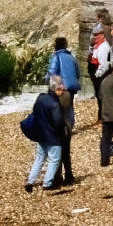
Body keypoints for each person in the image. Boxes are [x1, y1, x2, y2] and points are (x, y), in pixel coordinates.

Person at [46, 37, 81, 184]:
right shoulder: (71, 57)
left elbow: (52, 73)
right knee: (69, 109)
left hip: (61, 89)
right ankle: (69, 125)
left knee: (58, 112)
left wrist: (51, 86)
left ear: (56, 46)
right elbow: (77, 73)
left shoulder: (56, 57)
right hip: (71, 89)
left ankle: (57, 176)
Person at [25, 75, 67, 193]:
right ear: (57, 89)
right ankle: (47, 183)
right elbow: (58, 122)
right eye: (61, 88)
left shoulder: (41, 97)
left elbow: (35, 112)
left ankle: (30, 181)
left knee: (39, 158)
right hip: (52, 136)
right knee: (55, 160)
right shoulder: (55, 104)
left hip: (41, 134)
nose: (63, 90)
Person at [88, 24, 111, 120]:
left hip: (101, 75)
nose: (95, 37)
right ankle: (101, 117)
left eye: (97, 35)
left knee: (101, 95)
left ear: (102, 35)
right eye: (94, 35)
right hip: (97, 73)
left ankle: (103, 117)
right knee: (99, 95)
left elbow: (104, 65)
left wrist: (97, 75)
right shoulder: (98, 46)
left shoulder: (103, 47)